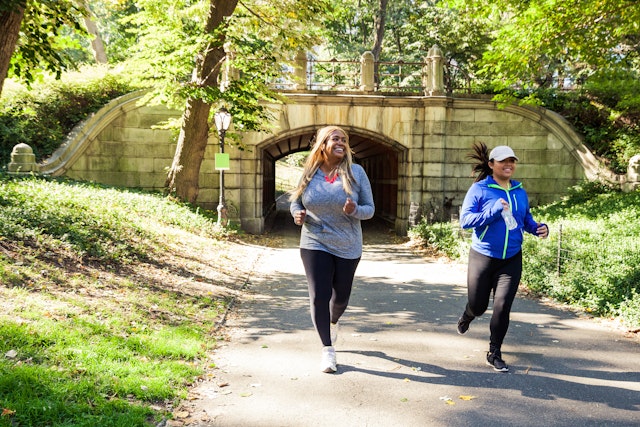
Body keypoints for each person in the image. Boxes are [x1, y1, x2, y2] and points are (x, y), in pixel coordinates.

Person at [289, 125, 375, 373]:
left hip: (348, 243)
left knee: (341, 297)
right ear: (323, 144)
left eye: (344, 140)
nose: (341, 143)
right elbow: (295, 201)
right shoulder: (309, 172)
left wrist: (354, 210)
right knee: (319, 296)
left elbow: (370, 209)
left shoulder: (356, 172)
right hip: (315, 240)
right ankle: (327, 350)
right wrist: (298, 214)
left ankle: (333, 320)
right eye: (335, 138)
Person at [457, 142, 549, 373]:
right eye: (503, 161)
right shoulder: (479, 189)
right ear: (491, 165)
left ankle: (494, 352)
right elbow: (466, 221)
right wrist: (493, 211)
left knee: (502, 306)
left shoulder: (519, 191)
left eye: (512, 161)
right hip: (483, 256)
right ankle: (469, 314)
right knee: (479, 306)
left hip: (511, 258)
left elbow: (525, 219)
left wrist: (538, 228)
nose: (509, 165)